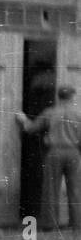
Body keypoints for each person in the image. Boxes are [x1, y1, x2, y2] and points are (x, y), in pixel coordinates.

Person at [18, 86, 80, 230]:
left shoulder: (50, 113)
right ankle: (77, 225)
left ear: (58, 97)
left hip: (54, 152)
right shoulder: (79, 114)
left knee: (51, 190)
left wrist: (22, 119)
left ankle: (49, 224)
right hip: (73, 153)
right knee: (76, 190)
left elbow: (30, 128)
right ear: (72, 97)